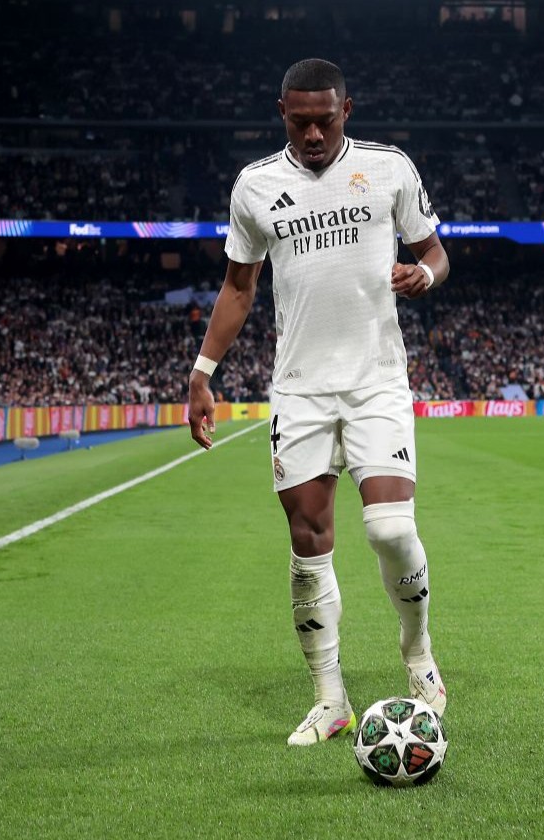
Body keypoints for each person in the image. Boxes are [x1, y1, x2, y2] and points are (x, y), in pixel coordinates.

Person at [187, 58, 452, 746]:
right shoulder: (255, 186)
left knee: (390, 529)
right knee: (308, 545)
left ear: (346, 111)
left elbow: (436, 251)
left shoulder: (388, 168)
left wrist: (424, 274)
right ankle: (330, 699)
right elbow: (238, 287)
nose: (312, 134)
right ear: (282, 113)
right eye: (299, 121)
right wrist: (202, 373)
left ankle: (418, 650)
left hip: (376, 381)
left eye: (324, 120)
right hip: (300, 390)